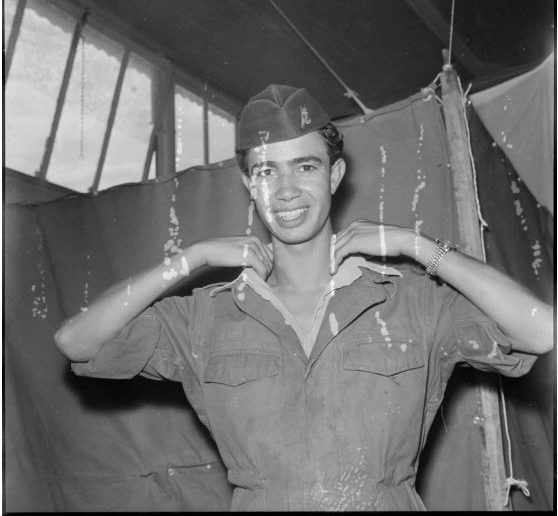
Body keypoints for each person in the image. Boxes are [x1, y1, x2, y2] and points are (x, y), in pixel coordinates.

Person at [55, 84, 553, 511]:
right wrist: (192, 257)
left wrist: (417, 246)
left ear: (334, 176)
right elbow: (78, 342)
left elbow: (540, 329)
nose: (287, 190)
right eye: (268, 171)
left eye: (305, 166)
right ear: (250, 184)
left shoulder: (411, 302)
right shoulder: (205, 318)